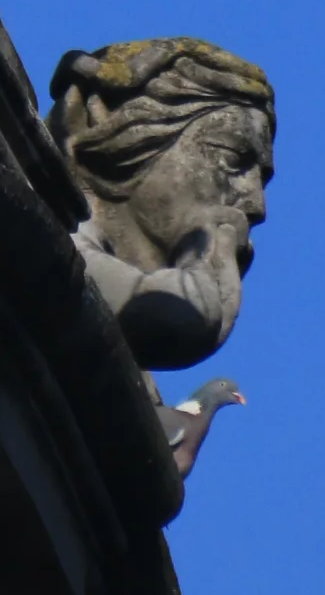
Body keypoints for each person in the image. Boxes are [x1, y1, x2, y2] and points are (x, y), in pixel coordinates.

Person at [47, 37, 276, 369]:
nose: (256, 204)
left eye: (262, 177)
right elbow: (179, 318)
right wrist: (213, 248)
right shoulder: (43, 234)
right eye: (232, 158)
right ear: (112, 131)